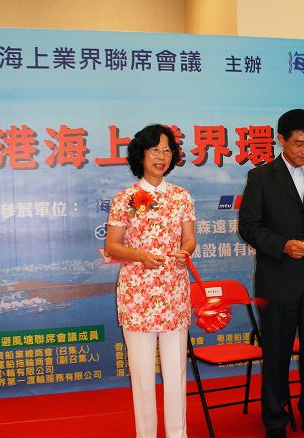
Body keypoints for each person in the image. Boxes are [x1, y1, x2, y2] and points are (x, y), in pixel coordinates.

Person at [239, 109, 304, 438]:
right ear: (281, 140)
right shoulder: (261, 177)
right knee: (276, 356)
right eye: (299, 144)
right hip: (278, 282)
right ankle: (275, 420)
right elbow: (249, 227)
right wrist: (282, 245)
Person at [105, 124, 196, 438]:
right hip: (138, 295)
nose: (162, 157)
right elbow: (112, 246)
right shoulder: (125, 198)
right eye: (155, 150)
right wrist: (140, 255)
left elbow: (189, 239)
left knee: (176, 375)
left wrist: (185, 251)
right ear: (141, 155)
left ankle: (177, 434)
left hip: (173, 293)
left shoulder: (181, 196)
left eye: (167, 150)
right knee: (142, 377)